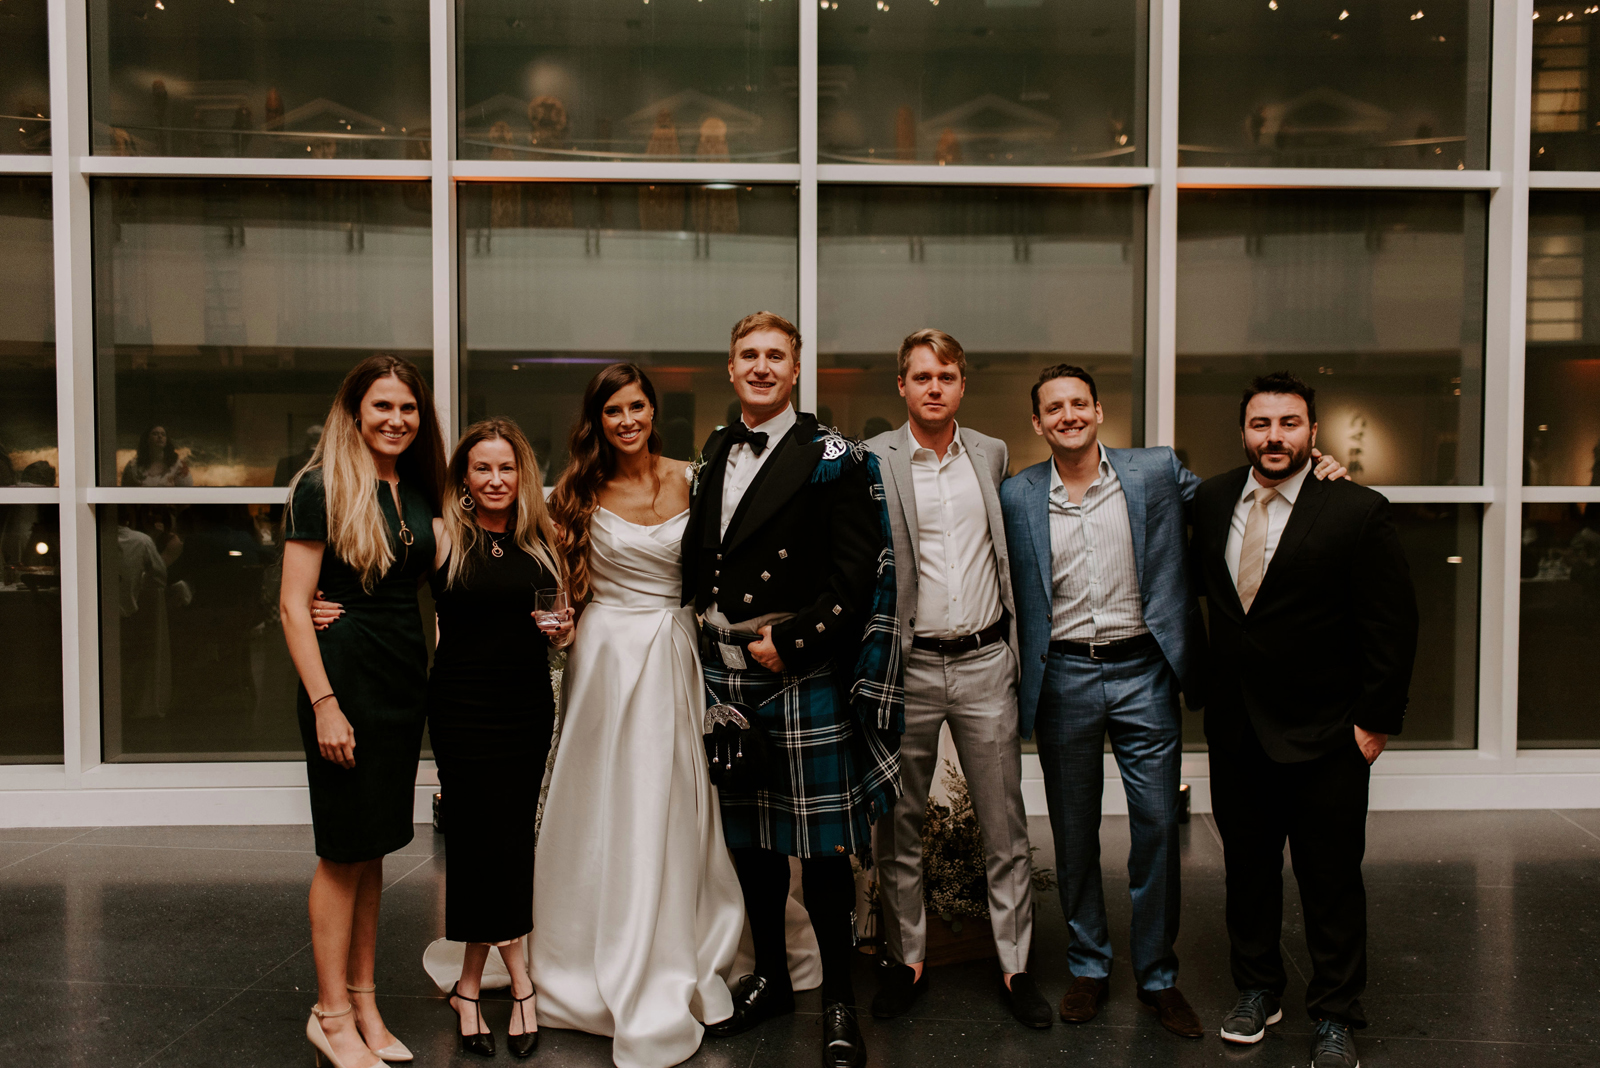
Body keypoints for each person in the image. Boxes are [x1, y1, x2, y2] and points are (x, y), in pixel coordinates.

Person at [999, 365, 1345, 1040]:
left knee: (1157, 828)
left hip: (1144, 672)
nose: (1068, 415)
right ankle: (1090, 966)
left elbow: (1234, 498)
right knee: (1073, 834)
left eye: (1079, 403)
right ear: (1037, 423)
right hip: (1063, 675)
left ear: (1099, 411)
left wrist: (1314, 474)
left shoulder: (1154, 471)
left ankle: (1157, 976)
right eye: (1053, 408)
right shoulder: (1016, 495)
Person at [682, 312, 903, 1068]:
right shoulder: (715, 448)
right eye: (749, 354)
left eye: (777, 355)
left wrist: (795, 640)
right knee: (750, 838)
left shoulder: (837, 456)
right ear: (732, 366)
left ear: (797, 368)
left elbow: (857, 576)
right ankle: (772, 976)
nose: (762, 366)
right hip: (725, 670)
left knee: (824, 848)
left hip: (796, 665)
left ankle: (839, 997)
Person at [317, 418, 575, 1059]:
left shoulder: (542, 540)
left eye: (507, 468)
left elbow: (560, 625)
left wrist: (563, 628)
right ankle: (519, 984)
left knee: (512, 838)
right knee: (473, 843)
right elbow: (376, 584)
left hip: (526, 708)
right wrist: (321, 600)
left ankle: (470, 987)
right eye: (482, 468)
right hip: (461, 708)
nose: (495, 479)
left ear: (523, 476)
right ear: (464, 477)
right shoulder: (439, 536)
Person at [1189, 372, 1417, 1068]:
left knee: (1331, 880)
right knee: (1248, 872)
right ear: (1244, 431)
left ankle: (1336, 1013)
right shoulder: (1213, 498)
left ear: (1312, 433)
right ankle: (1258, 988)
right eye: (1261, 423)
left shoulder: (1356, 509)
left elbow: (1392, 623)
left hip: (1328, 734)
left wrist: (1374, 723)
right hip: (1237, 732)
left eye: (1289, 423)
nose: (1274, 436)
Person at [532, 364, 746, 1068]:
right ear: (597, 420)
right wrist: (559, 626)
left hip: (676, 647)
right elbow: (562, 589)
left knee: (673, 793)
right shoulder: (576, 492)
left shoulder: (694, 477)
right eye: (613, 411)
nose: (627, 420)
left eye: (637, 406)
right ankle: (586, 932)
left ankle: (681, 931)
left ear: (654, 410)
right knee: (605, 797)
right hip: (607, 656)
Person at [863, 329, 1049, 1027]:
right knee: (898, 824)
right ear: (903, 389)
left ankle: (1015, 967)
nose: (934, 386)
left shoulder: (990, 453)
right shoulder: (874, 459)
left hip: (984, 662)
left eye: (946, 375)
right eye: (920, 376)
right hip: (907, 666)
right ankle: (906, 961)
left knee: (1006, 825)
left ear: (961, 386)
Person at [279, 353, 446, 1068]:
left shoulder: (416, 489)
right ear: (355, 412)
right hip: (344, 679)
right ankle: (330, 1014)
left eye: (408, 408)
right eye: (383, 407)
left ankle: (367, 1003)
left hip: (400, 681)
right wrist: (324, 704)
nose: (397, 420)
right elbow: (292, 604)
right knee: (343, 850)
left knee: (374, 847)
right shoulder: (321, 486)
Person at [122, 425, 193, 487]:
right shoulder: (133, 466)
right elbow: (125, 495)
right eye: (155, 434)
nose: (160, 436)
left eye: (163, 434)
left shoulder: (178, 466)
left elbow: (187, 495)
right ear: (147, 439)